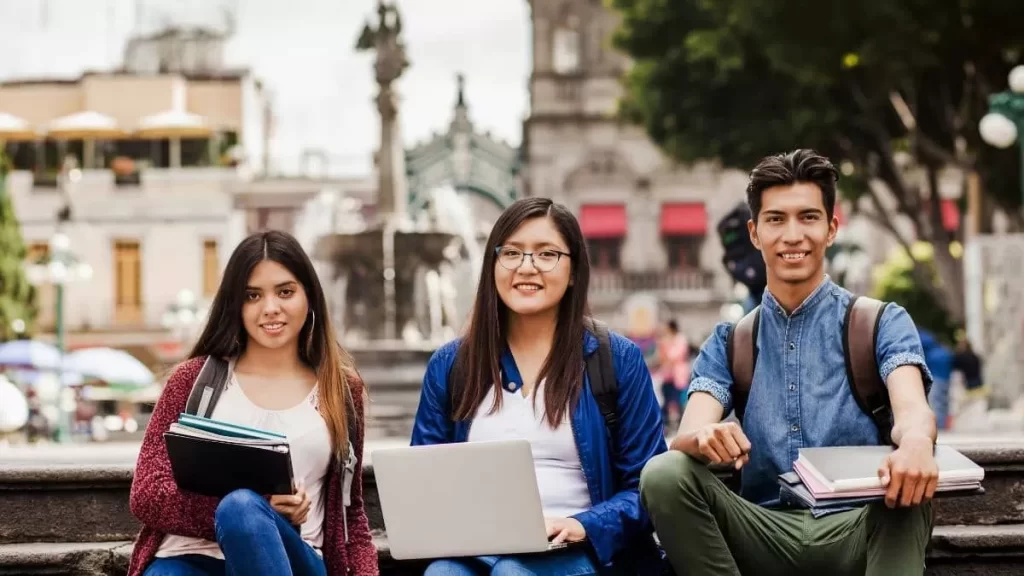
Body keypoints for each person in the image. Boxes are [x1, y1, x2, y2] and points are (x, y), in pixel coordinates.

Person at [640, 150, 938, 576]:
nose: (792, 235)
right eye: (776, 219)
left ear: (832, 228)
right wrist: (706, 437)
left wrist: (914, 443)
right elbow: (688, 433)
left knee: (910, 488)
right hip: (762, 530)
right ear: (755, 232)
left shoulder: (880, 322)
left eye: (808, 217)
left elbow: (912, 409)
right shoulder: (729, 341)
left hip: (861, 527)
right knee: (664, 473)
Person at [411, 197, 667, 575]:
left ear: (574, 270)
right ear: (492, 264)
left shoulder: (616, 359)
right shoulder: (452, 365)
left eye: (547, 254)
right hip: (476, 548)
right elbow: (422, 479)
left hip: (583, 549)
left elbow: (648, 488)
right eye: (511, 253)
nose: (526, 267)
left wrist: (585, 525)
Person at [127, 230, 378, 576]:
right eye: (252, 295)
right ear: (236, 305)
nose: (270, 308)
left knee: (242, 508)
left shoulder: (341, 391)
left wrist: (257, 515)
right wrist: (256, 509)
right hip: (188, 559)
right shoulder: (193, 381)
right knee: (240, 508)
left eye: (285, 292)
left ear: (310, 298)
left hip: (293, 558)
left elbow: (352, 516)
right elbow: (147, 493)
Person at [657, 320, 691, 426]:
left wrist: (667, 346)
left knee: (679, 400)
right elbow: (661, 357)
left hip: (678, 376)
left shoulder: (680, 339)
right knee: (666, 400)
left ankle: (682, 424)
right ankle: (664, 423)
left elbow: (675, 355)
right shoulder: (665, 340)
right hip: (667, 376)